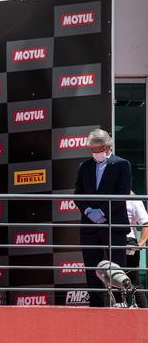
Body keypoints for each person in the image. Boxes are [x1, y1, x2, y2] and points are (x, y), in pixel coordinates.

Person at [74, 128, 131, 307]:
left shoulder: (122, 164)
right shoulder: (85, 166)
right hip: (89, 226)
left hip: (114, 225)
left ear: (108, 146)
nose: (95, 153)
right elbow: (77, 194)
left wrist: (102, 212)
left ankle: (121, 303)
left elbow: (123, 193)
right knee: (92, 268)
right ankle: (96, 306)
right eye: (92, 150)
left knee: (118, 267)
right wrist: (89, 211)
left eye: (99, 149)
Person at [125, 191, 148, 308]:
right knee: (112, 280)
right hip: (110, 241)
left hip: (128, 242)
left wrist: (140, 244)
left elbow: (146, 222)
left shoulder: (133, 198)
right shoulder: (107, 192)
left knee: (134, 282)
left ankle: (144, 312)